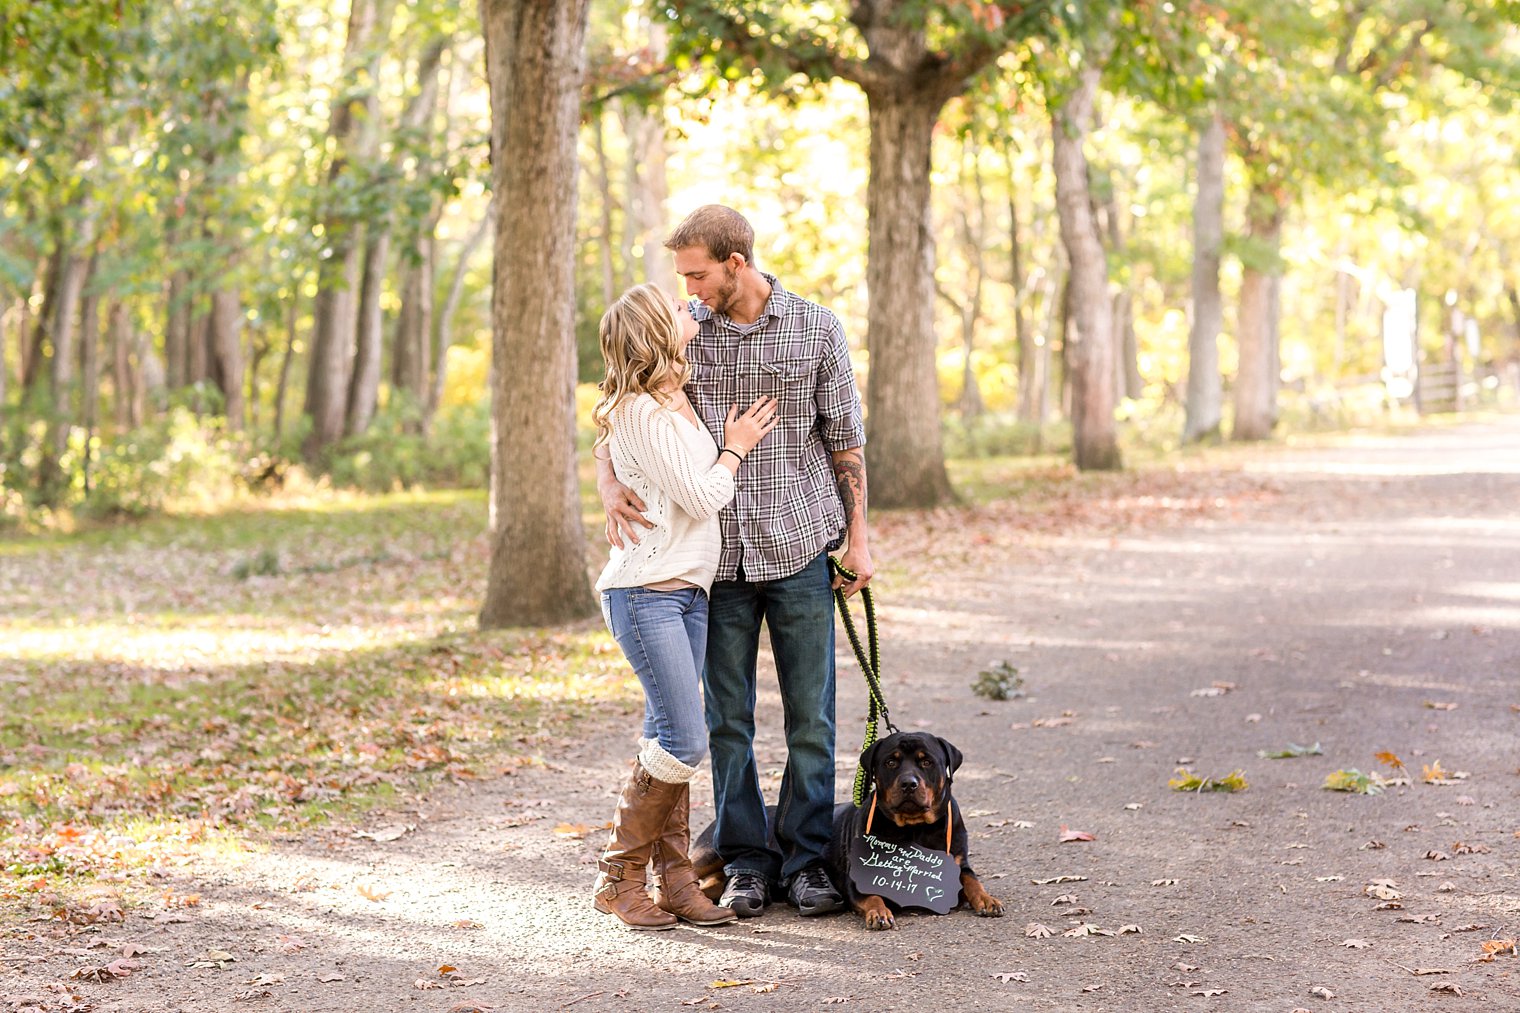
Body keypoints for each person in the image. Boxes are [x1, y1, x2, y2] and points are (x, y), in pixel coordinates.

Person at [597, 206, 873, 920]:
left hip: (799, 547)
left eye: (697, 272)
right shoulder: (686, 331)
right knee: (726, 722)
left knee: (811, 716)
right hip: (714, 566)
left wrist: (860, 539)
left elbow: (846, 440)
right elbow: (623, 398)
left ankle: (810, 859)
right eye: (683, 275)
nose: (688, 287)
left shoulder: (817, 327)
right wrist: (605, 477)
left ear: (736, 262)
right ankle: (747, 860)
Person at [589, 282, 781, 931]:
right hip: (646, 592)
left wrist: (609, 475)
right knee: (683, 737)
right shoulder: (642, 408)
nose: (687, 306)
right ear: (655, 332)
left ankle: (673, 880)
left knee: (663, 738)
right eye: (674, 307)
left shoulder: (667, 398)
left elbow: (609, 438)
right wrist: (736, 445)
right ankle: (618, 876)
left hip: (684, 592)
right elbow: (702, 496)